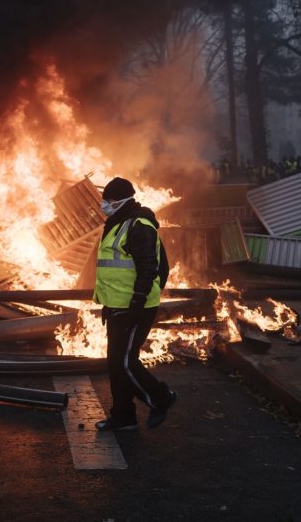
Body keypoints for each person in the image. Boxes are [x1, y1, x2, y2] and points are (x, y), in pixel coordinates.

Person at [93, 177, 177, 431]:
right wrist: (109, 304)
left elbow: (151, 267)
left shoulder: (140, 226)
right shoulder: (117, 224)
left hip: (134, 309)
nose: (104, 205)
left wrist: (138, 303)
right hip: (117, 306)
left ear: (120, 201)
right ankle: (123, 416)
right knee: (115, 364)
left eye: (108, 201)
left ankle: (161, 399)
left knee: (125, 363)